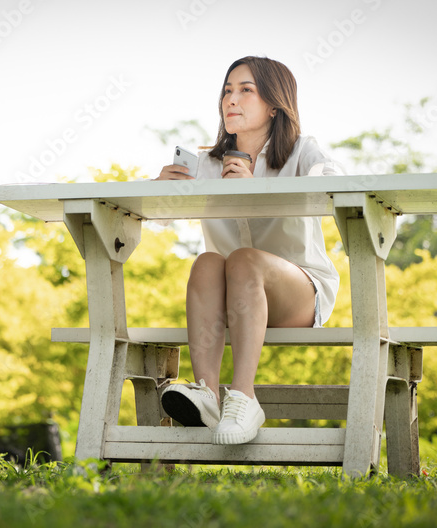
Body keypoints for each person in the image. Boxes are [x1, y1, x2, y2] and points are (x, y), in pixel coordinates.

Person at [154, 56, 342, 445]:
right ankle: (207, 394)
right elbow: (157, 219)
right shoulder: (205, 163)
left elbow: (338, 188)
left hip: (297, 296)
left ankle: (243, 397)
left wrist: (258, 185)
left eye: (245, 90)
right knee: (208, 261)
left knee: (242, 259)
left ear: (274, 104)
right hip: (233, 304)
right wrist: (158, 187)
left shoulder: (301, 150)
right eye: (227, 91)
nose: (231, 100)